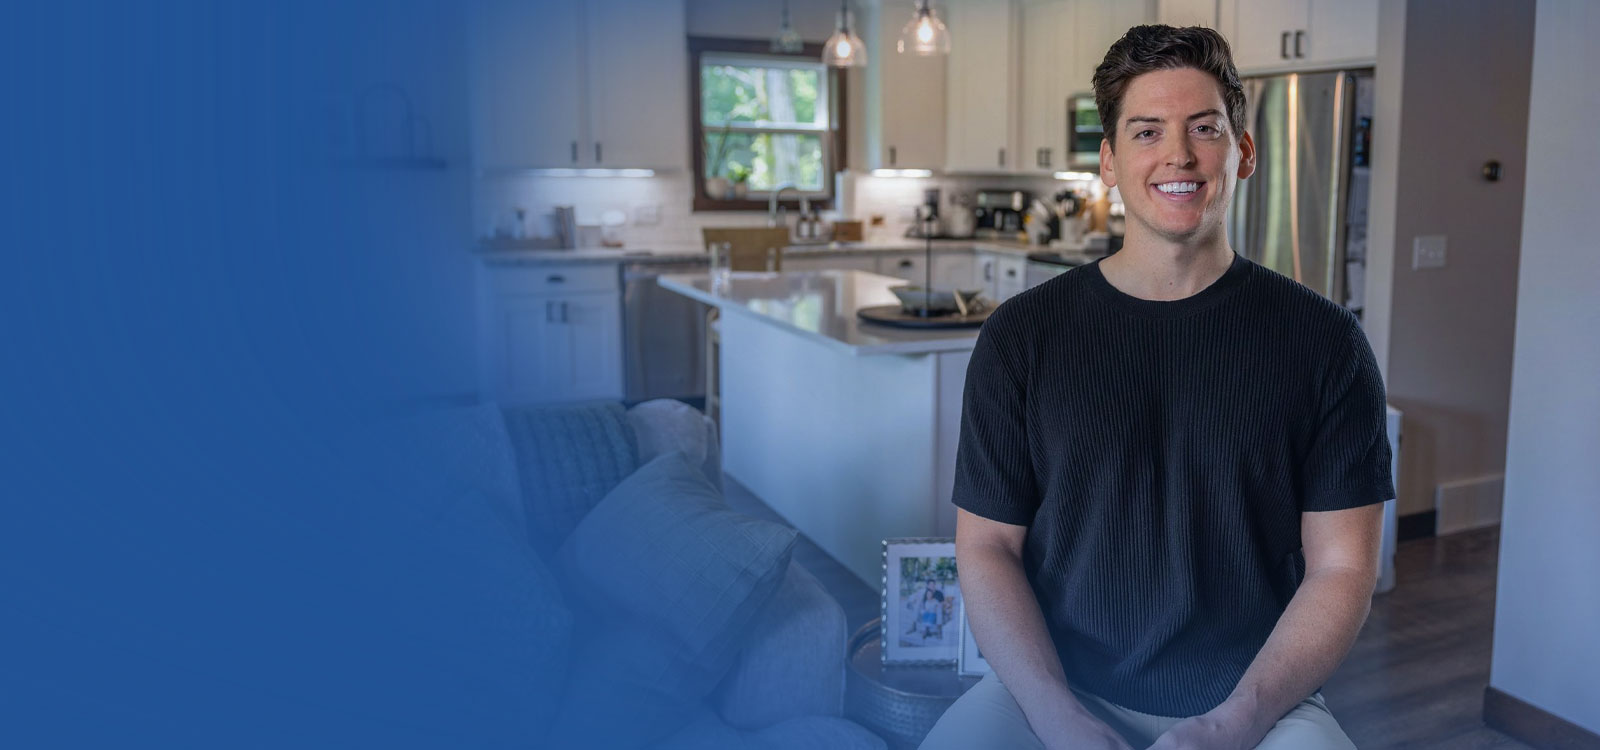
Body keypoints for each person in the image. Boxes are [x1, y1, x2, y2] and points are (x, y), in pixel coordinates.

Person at [921, 25, 1393, 750]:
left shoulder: (1326, 344)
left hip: (1253, 700)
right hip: (1054, 688)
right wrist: (1056, 715)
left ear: (1244, 151)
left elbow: (1343, 566)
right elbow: (987, 549)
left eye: (1205, 128)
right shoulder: (1021, 336)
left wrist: (1234, 723)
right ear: (1109, 161)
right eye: (1147, 132)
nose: (1178, 154)